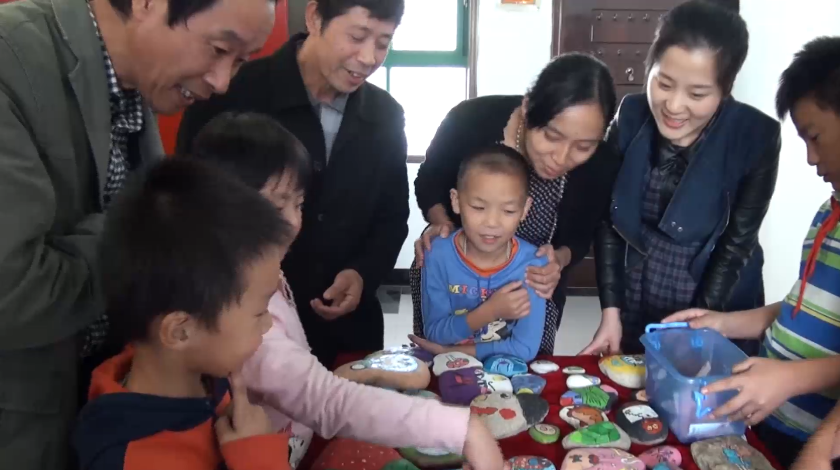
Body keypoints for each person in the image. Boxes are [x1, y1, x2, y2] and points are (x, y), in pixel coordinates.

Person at [0, 0, 275, 466]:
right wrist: (154, 236)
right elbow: (11, 286)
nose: (221, 81)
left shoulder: (136, 85)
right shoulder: (12, 59)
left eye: (240, 61)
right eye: (217, 49)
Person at [189, 112, 506, 470]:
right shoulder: (237, 309)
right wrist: (464, 429)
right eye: (278, 206)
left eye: (299, 204)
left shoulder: (260, 271)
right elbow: (324, 400)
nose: (293, 221)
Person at [177, 0, 409, 368]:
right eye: (357, 36)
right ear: (315, 16)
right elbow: (188, 208)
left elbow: (392, 215)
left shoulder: (384, 115)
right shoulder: (231, 94)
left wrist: (363, 273)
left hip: (348, 332)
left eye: (383, 43)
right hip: (243, 332)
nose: (368, 57)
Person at [665, 35, 840, 470]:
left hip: (817, 435)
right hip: (770, 414)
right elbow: (808, 307)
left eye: (814, 136)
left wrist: (791, 377)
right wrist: (724, 323)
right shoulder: (829, 211)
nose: (811, 158)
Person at [581, 0, 781, 356]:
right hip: (640, 288)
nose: (673, 106)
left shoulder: (756, 136)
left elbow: (735, 246)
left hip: (714, 296)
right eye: (664, 83)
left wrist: (697, 328)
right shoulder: (629, 115)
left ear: (726, 87)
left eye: (697, 94)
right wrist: (611, 311)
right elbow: (610, 221)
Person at [73, 158, 293, 470]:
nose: (268, 323)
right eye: (259, 312)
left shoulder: (207, 376)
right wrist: (261, 460)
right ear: (180, 331)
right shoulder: (135, 459)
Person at [411, 53, 619, 355]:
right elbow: (429, 180)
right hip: (453, 276)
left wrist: (557, 260)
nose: (561, 158)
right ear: (527, 107)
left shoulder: (600, 163)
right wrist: (440, 220)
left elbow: (582, 234)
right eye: (551, 136)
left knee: (522, 370)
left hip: (531, 284)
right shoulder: (470, 120)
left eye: (583, 147)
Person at [412, 145, 547, 362]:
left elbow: (525, 349)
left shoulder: (535, 264)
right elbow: (435, 332)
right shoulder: (437, 255)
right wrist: (489, 312)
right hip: (446, 369)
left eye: (509, 211)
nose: (492, 223)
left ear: (525, 209)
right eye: (478, 207)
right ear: (456, 201)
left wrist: (447, 351)